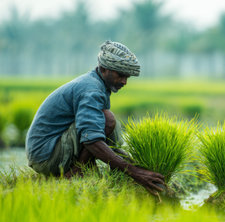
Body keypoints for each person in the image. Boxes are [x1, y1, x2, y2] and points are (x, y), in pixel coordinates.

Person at [25, 40, 165, 195]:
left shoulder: (96, 84)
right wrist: (133, 171)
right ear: (104, 69)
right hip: (47, 156)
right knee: (107, 119)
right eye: (121, 75)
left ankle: (85, 169)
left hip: (50, 151)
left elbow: (104, 137)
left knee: (103, 121)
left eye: (127, 77)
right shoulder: (91, 89)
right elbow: (91, 138)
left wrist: (136, 165)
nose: (124, 82)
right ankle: (77, 171)